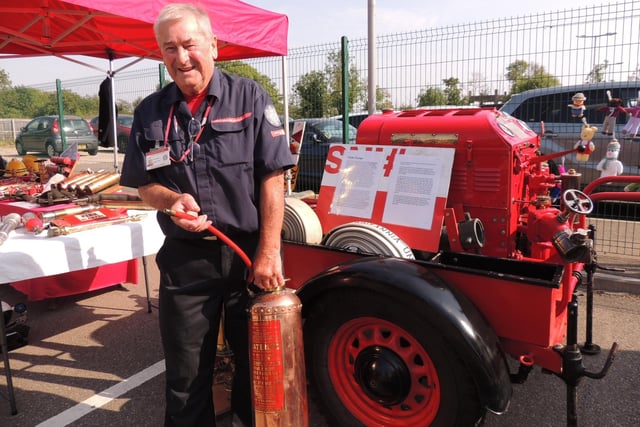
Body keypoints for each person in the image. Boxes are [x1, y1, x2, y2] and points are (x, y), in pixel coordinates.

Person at [119, 3, 294, 426]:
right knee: (185, 377)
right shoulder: (150, 112)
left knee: (259, 374)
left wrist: (269, 253)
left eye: (189, 44)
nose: (181, 58)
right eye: (169, 49)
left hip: (248, 259)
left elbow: (272, 179)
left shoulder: (249, 97)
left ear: (213, 45)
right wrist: (169, 201)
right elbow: (145, 185)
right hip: (185, 261)